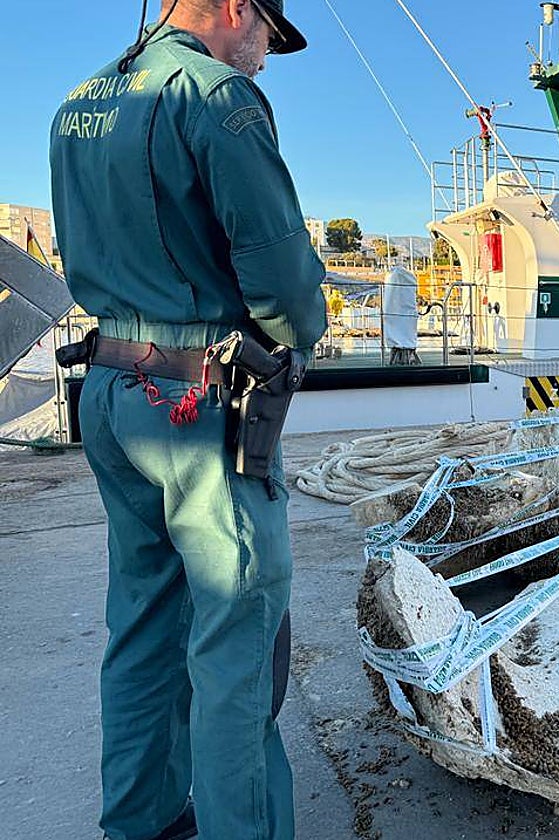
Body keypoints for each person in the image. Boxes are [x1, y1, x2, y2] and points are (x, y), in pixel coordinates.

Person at [49, 2, 325, 838]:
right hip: (198, 409)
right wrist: (298, 337)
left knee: (141, 629)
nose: (266, 59)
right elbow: (284, 283)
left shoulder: (78, 102)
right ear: (238, 8)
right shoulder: (218, 100)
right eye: (268, 38)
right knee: (236, 649)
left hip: (110, 394)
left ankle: (142, 822)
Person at [383, 263, 421, 365]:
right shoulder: (408, 278)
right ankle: (405, 348)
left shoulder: (393, 278)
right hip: (404, 314)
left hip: (398, 313)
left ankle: (402, 348)